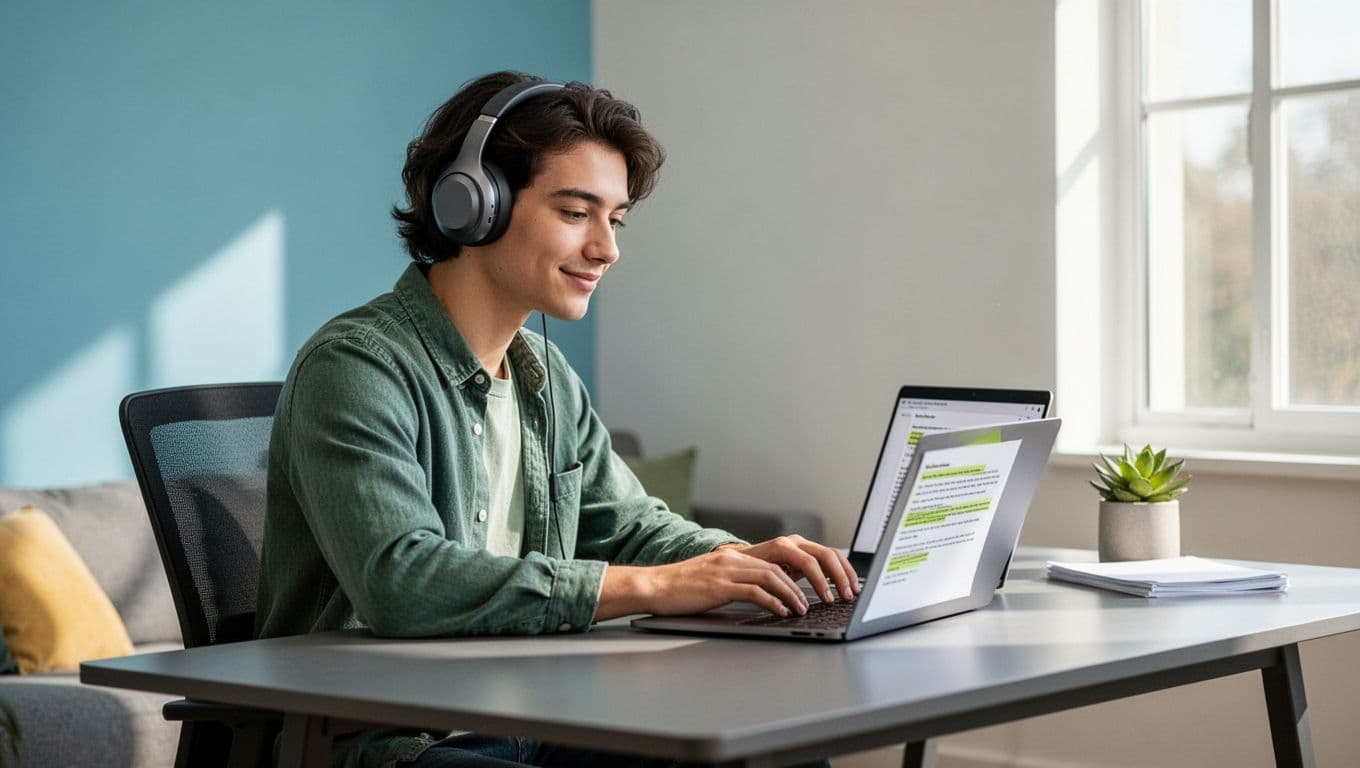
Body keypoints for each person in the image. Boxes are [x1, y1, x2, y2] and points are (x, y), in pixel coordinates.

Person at [255, 70, 856, 768]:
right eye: (577, 213)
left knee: (776, 754)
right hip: (386, 744)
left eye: (616, 219)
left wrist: (745, 564)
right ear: (473, 205)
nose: (608, 248)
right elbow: (402, 580)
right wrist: (653, 587)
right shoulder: (356, 367)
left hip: (534, 719)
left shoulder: (546, 380)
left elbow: (629, 526)